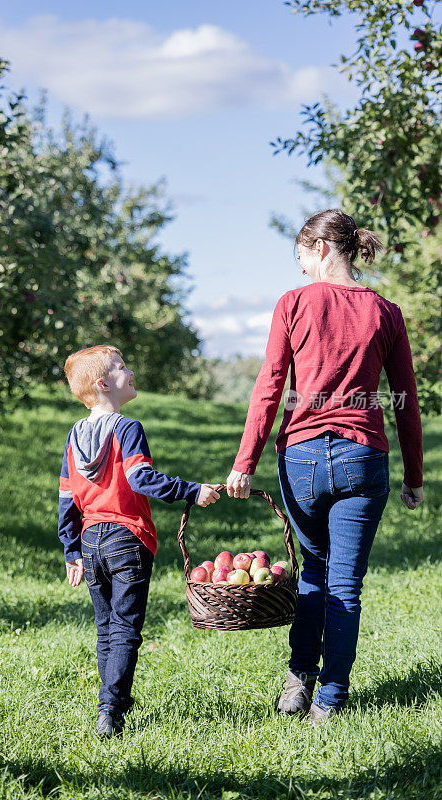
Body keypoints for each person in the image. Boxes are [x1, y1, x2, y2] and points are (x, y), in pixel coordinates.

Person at [226, 209, 423, 725]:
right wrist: (415, 476)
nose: (302, 271)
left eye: (301, 259)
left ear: (319, 249)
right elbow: (406, 399)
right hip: (363, 456)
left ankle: (297, 682)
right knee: (346, 583)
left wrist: (245, 460)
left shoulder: (293, 303)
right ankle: (330, 700)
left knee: (313, 573)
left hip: (304, 457)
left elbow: (270, 384)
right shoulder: (386, 311)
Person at [58, 344, 220, 738]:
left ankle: (110, 704)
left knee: (105, 627)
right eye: (122, 367)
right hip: (127, 538)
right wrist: (192, 490)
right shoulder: (127, 428)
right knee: (126, 627)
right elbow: (140, 478)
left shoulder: (75, 434)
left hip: (91, 539)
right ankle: (111, 709)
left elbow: (66, 497)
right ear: (103, 384)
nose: (130, 372)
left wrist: (71, 549)